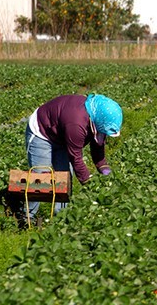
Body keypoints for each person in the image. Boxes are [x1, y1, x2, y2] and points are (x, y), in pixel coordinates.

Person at [22, 93, 123, 223]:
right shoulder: (77, 123)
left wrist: (104, 169)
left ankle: (61, 218)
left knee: (65, 177)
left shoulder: (96, 117)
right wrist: (89, 183)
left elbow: (97, 147)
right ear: (99, 121)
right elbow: (76, 157)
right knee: (40, 177)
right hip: (42, 131)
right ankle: (27, 218)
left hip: (62, 134)